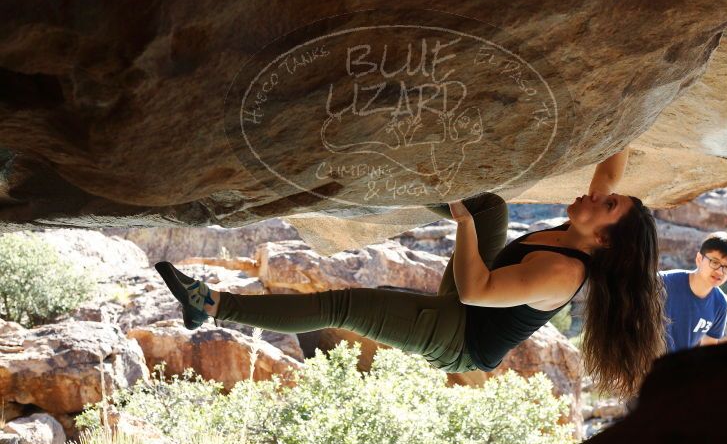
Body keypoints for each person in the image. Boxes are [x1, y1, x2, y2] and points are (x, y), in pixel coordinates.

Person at [155, 146, 665, 398]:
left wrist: (460, 223)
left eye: (608, 204)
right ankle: (375, 168)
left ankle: (212, 306)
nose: (597, 195)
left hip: (458, 334)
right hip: (468, 300)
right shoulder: (582, 228)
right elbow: (610, 168)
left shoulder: (563, 272)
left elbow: (475, 288)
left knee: (343, 307)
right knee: (491, 207)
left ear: (602, 239)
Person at [661, 232, 727, 352]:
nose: (720, 271)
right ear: (699, 259)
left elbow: (708, 352)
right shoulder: (663, 282)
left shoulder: (720, 304)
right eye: (715, 262)